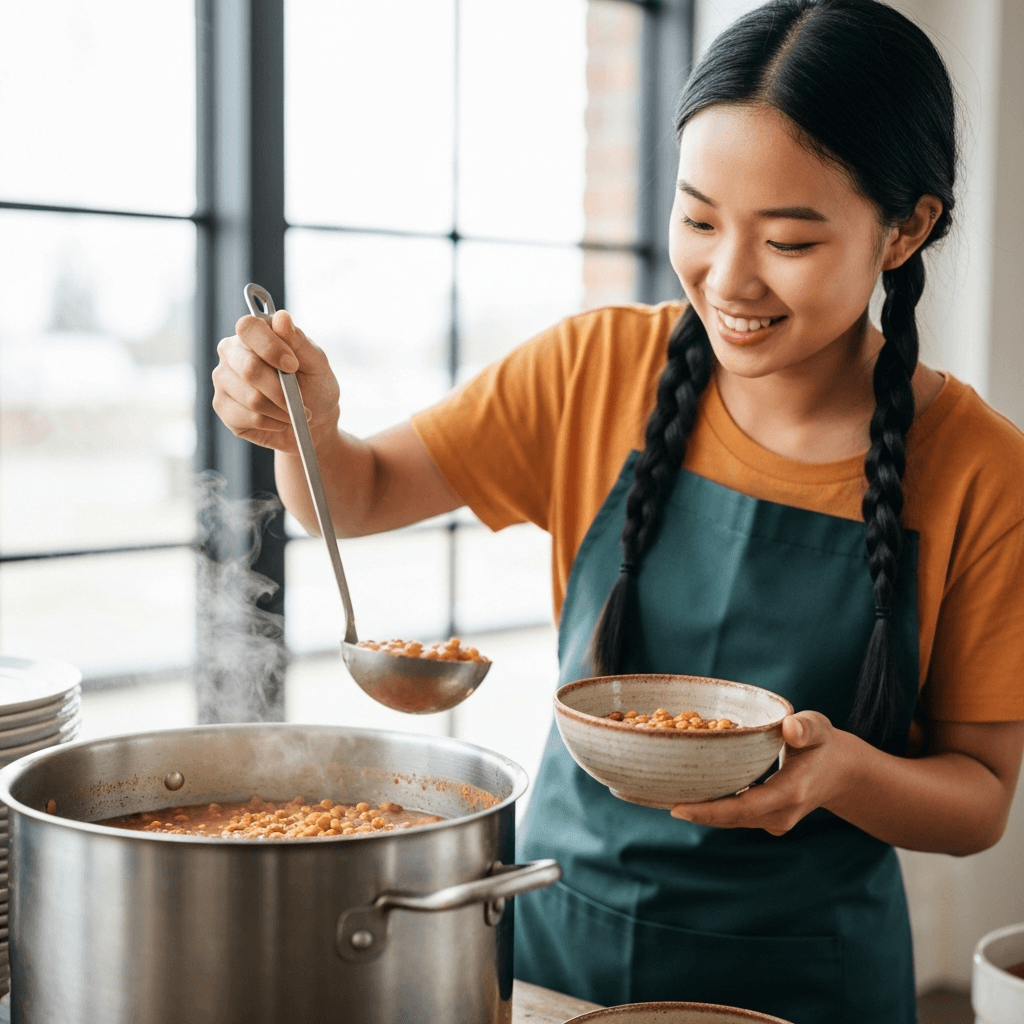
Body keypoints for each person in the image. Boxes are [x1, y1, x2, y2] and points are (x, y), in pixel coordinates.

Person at [211, 1, 1024, 1020]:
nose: (728, 278)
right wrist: (303, 428)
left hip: (807, 979)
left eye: (787, 239)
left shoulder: (984, 470)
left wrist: (840, 774)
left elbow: (979, 800)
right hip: (556, 945)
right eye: (699, 220)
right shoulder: (592, 368)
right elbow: (363, 492)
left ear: (906, 228)